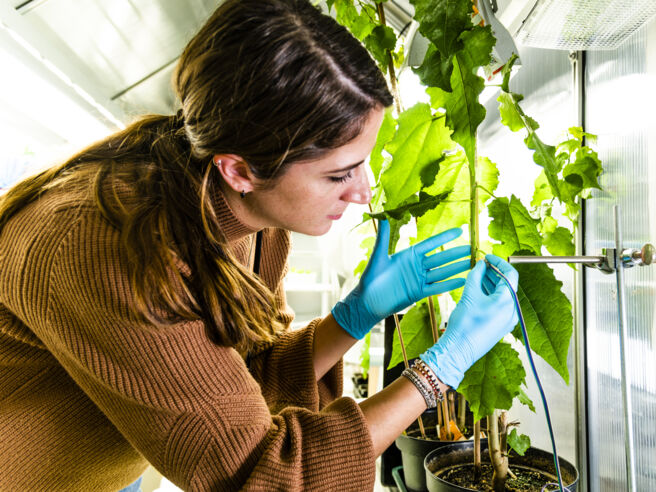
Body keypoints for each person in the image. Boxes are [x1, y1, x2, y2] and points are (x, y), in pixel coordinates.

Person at [0, 0, 520, 490]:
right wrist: (440, 369)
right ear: (240, 169)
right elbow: (262, 474)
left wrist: (351, 319)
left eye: (361, 163)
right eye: (339, 174)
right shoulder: (109, 249)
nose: (363, 194)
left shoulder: (250, 217)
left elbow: (238, 379)